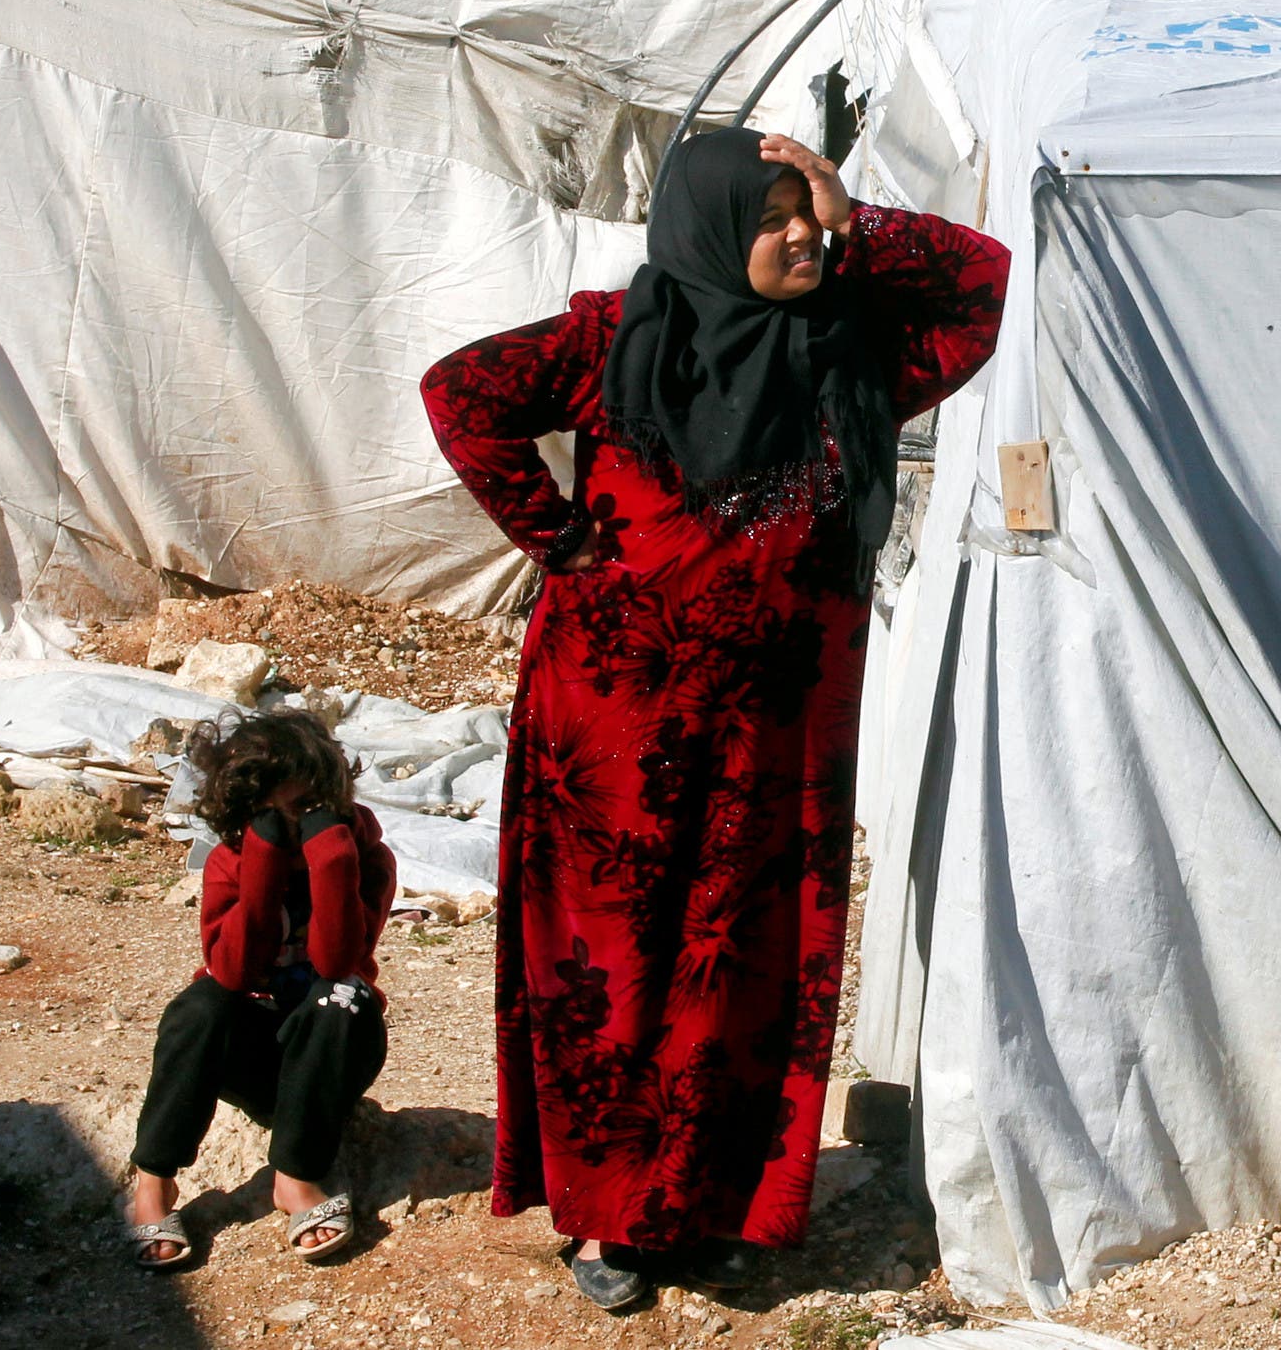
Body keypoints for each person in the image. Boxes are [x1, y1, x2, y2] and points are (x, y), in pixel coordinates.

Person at [420, 129, 1008, 1309]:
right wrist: (560, 535)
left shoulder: (851, 345)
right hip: (616, 729)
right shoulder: (612, 338)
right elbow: (461, 393)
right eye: (771, 213)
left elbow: (982, 285)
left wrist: (857, 217)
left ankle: (720, 1200)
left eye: (806, 211)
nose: (798, 233)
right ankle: (610, 1219)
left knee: (746, 964)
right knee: (617, 961)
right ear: (706, 227)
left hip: (776, 731)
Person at [124, 708, 396, 1269]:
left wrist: (332, 864)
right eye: (271, 816)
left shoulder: (364, 858)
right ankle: (153, 1182)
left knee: (342, 996)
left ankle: (295, 1178)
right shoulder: (230, 863)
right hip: (255, 1054)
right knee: (198, 1005)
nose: (291, 829)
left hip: (331, 1055)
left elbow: (338, 961)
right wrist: (263, 868)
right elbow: (230, 972)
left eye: (303, 810)